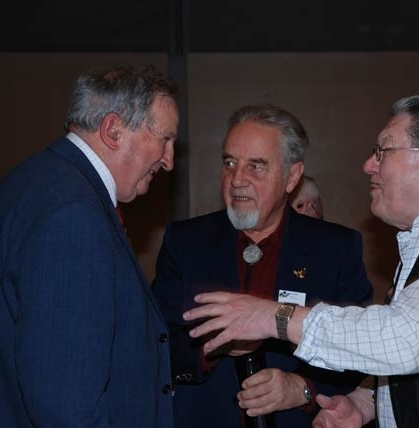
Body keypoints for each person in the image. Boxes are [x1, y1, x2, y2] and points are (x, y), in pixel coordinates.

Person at [182, 94, 419, 428]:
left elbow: (404, 340)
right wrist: (368, 402)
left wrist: (275, 317)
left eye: (383, 152)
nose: (368, 165)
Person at [0, 64, 179, 427]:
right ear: (113, 130)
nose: (169, 160)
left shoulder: (37, 181)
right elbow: (65, 404)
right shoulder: (74, 213)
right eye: (164, 139)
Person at [151, 104, 373, 427]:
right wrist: (212, 347)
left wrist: (302, 388)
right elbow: (153, 344)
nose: (237, 180)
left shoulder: (335, 249)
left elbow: (360, 348)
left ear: (291, 176)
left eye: (256, 166)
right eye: (230, 163)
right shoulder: (185, 243)